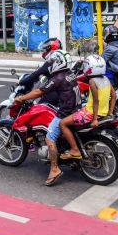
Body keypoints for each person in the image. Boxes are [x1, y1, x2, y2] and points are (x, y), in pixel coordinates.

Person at [14, 50, 80, 187]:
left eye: (53, 62)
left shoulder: (58, 78)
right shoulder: (70, 74)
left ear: (58, 63)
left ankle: (55, 169)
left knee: (49, 138)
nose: (50, 64)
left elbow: (39, 91)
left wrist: (22, 98)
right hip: (76, 109)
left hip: (66, 112)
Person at [59, 55, 116, 160]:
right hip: (102, 113)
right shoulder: (106, 79)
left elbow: (96, 100)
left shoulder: (92, 81)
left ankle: (75, 150)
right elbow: (113, 96)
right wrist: (110, 112)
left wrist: (94, 119)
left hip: (90, 114)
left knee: (62, 123)